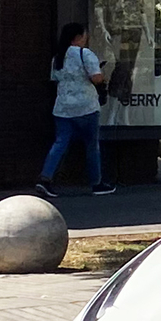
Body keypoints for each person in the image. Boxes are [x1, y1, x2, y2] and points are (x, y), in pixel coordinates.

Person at [40, 22, 115, 198]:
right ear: (78, 37)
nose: (86, 38)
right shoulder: (85, 54)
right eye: (84, 35)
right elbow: (96, 78)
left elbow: (55, 79)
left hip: (62, 107)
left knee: (60, 143)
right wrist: (103, 76)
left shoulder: (57, 57)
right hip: (86, 106)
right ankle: (96, 183)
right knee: (91, 145)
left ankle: (45, 179)